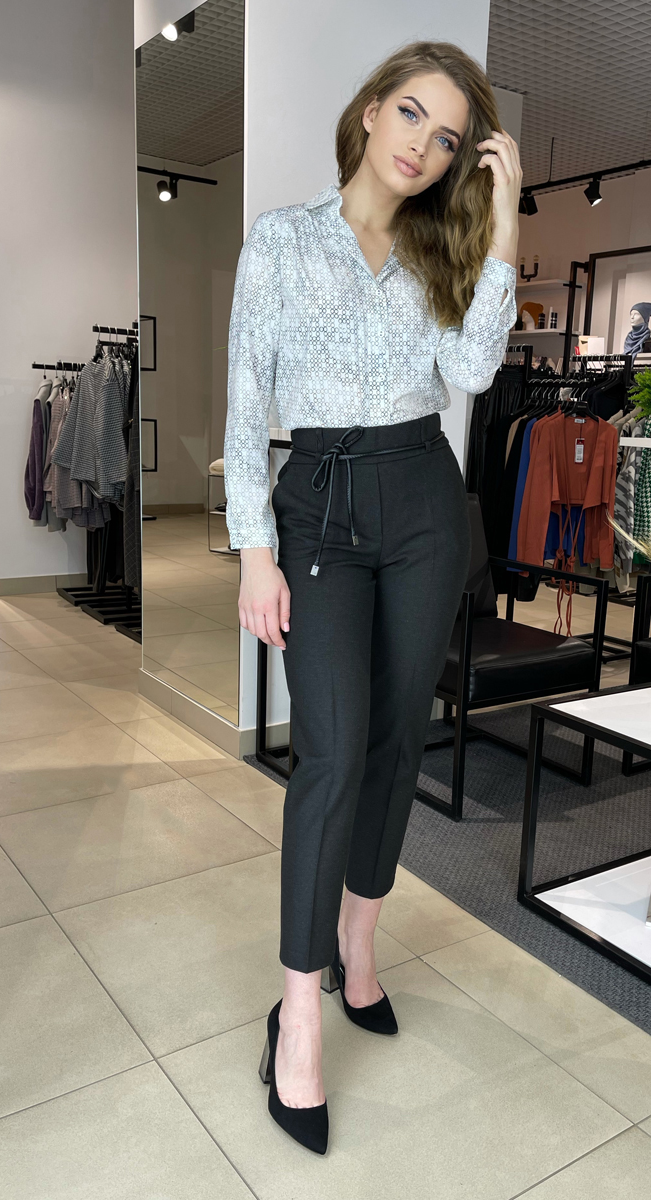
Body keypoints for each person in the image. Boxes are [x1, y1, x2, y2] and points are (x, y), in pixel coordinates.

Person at [224, 40, 520, 1154]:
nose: (421, 147)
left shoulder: (440, 251)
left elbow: (475, 374)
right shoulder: (282, 240)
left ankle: (359, 943)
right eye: (410, 116)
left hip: (423, 500)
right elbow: (245, 397)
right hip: (318, 506)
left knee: (399, 743)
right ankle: (297, 1015)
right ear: (368, 110)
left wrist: (504, 224)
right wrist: (254, 551)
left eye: (446, 139)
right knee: (333, 755)